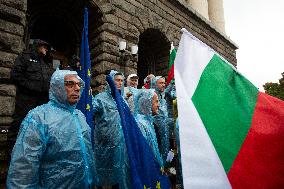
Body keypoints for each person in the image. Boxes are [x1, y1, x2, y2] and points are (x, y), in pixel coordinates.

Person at [6, 70, 96, 188]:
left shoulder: (80, 116)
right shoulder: (39, 117)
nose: (77, 88)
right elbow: (24, 169)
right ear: (57, 87)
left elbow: (87, 155)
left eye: (79, 84)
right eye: (70, 84)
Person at [8, 39, 55, 152]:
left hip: (43, 101)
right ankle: (12, 153)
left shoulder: (46, 63)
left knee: (40, 126)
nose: (46, 49)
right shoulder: (25, 57)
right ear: (37, 46)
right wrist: (32, 86)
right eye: (44, 47)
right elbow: (15, 75)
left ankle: (33, 152)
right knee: (19, 125)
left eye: (47, 48)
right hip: (26, 99)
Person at [92, 70, 130, 189]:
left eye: (121, 81)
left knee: (118, 173)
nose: (119, 83)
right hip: (104, 145)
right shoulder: (100, 99)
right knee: (103, 173)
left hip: (120, 144)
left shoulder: (123, 101)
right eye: (117, 80)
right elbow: (90, 114)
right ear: (110, 82)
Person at [134, 89, 164, 169]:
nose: (159, 105)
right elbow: (144, 154)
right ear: (147, 103)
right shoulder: (140, 124)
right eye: (156, 101)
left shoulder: (148, 121)